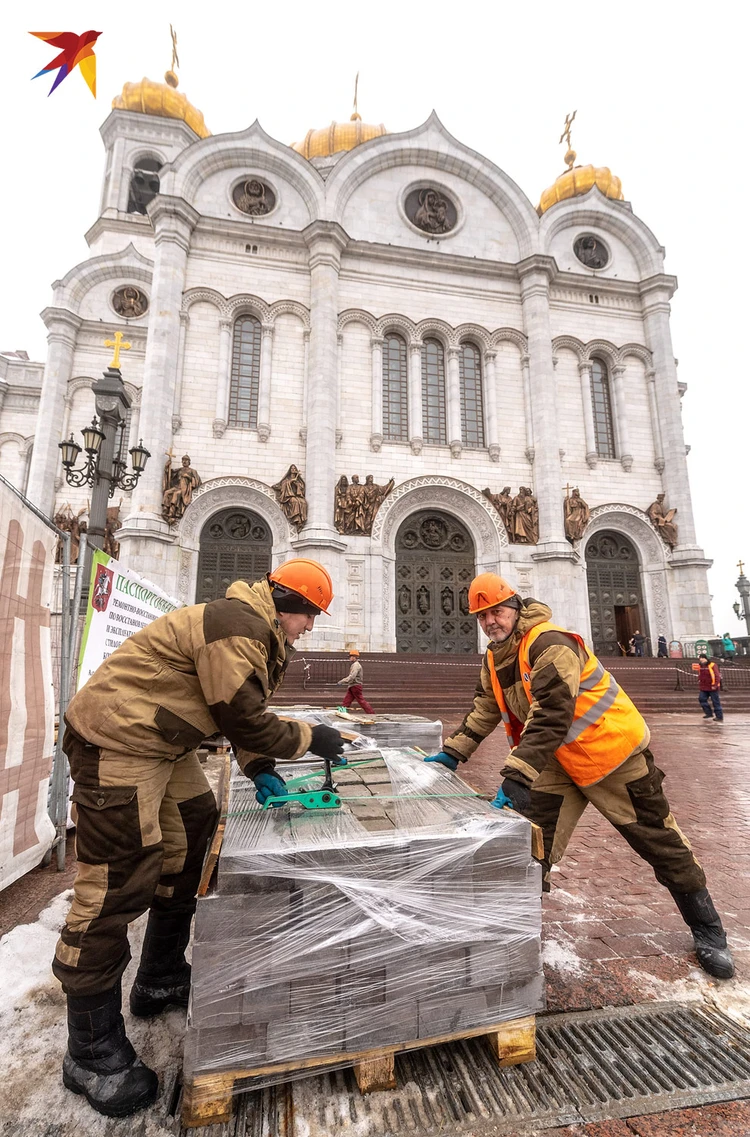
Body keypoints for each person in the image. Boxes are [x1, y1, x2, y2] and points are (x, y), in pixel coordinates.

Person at [53, 559, 345, 1118]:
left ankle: (159, 978)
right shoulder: (239, 625)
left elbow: (239, 711)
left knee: (191, 838)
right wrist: (313, 737)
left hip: (164, 742)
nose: (309, 629)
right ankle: (88, 1051)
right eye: (310, 618)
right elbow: (244, 715)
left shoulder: (251, 626)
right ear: (292, 607)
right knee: (113, 888)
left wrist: (259, 766)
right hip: (118, 741)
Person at [423, 572, 734, 982]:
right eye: (481, 617)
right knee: (532, 846)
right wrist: (452, 752)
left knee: (660, 842)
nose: (489, 623)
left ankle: (709, 930)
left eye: (496, 612)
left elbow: (554, 712)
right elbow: (485, 708)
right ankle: (510, 937)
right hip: (553, 763)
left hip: (611, 757)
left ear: (515, 607)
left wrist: (516, 774)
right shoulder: (495, 658)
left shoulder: (551, 643)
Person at [337, 648, 374, 714]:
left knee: (361, 701)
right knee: (347, 700)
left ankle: (371, 713)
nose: (349, 658)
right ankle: (341, 712)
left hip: (355, 686)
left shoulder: (356, 665)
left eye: (350, 657)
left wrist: (342, 681)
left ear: (354, 657)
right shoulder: (355, 665)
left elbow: (352, 676)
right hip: (352, 685)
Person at [697, 653, 724, 723]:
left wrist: (715, 685)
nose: (701, 659)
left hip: (712, 687)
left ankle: (719, 716)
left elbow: (717, 676)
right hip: (704, 687)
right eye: (700, 658)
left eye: (702, 658)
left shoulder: (712, 665)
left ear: (706, 658)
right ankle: (708, 713)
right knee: (701, 699)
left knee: (715, 702)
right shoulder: (700, 666)